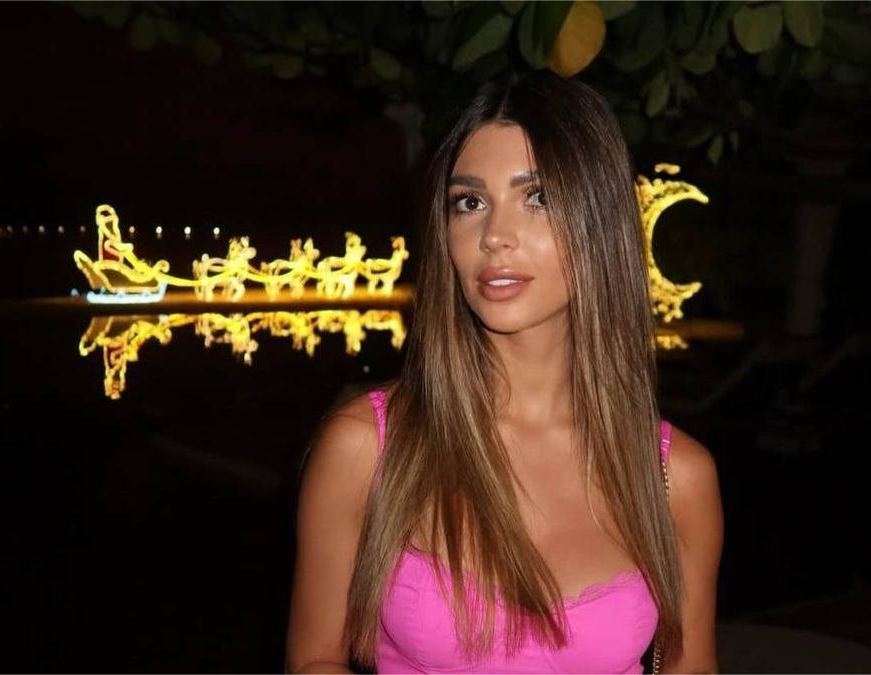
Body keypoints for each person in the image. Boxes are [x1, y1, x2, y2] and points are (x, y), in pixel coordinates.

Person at [286, 71, 723, 674]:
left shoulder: (675, 478)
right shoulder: (369, 448)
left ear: (600, 225)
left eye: (537, 197)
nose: (495, 236)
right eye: (469, 203)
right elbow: (314, 660)